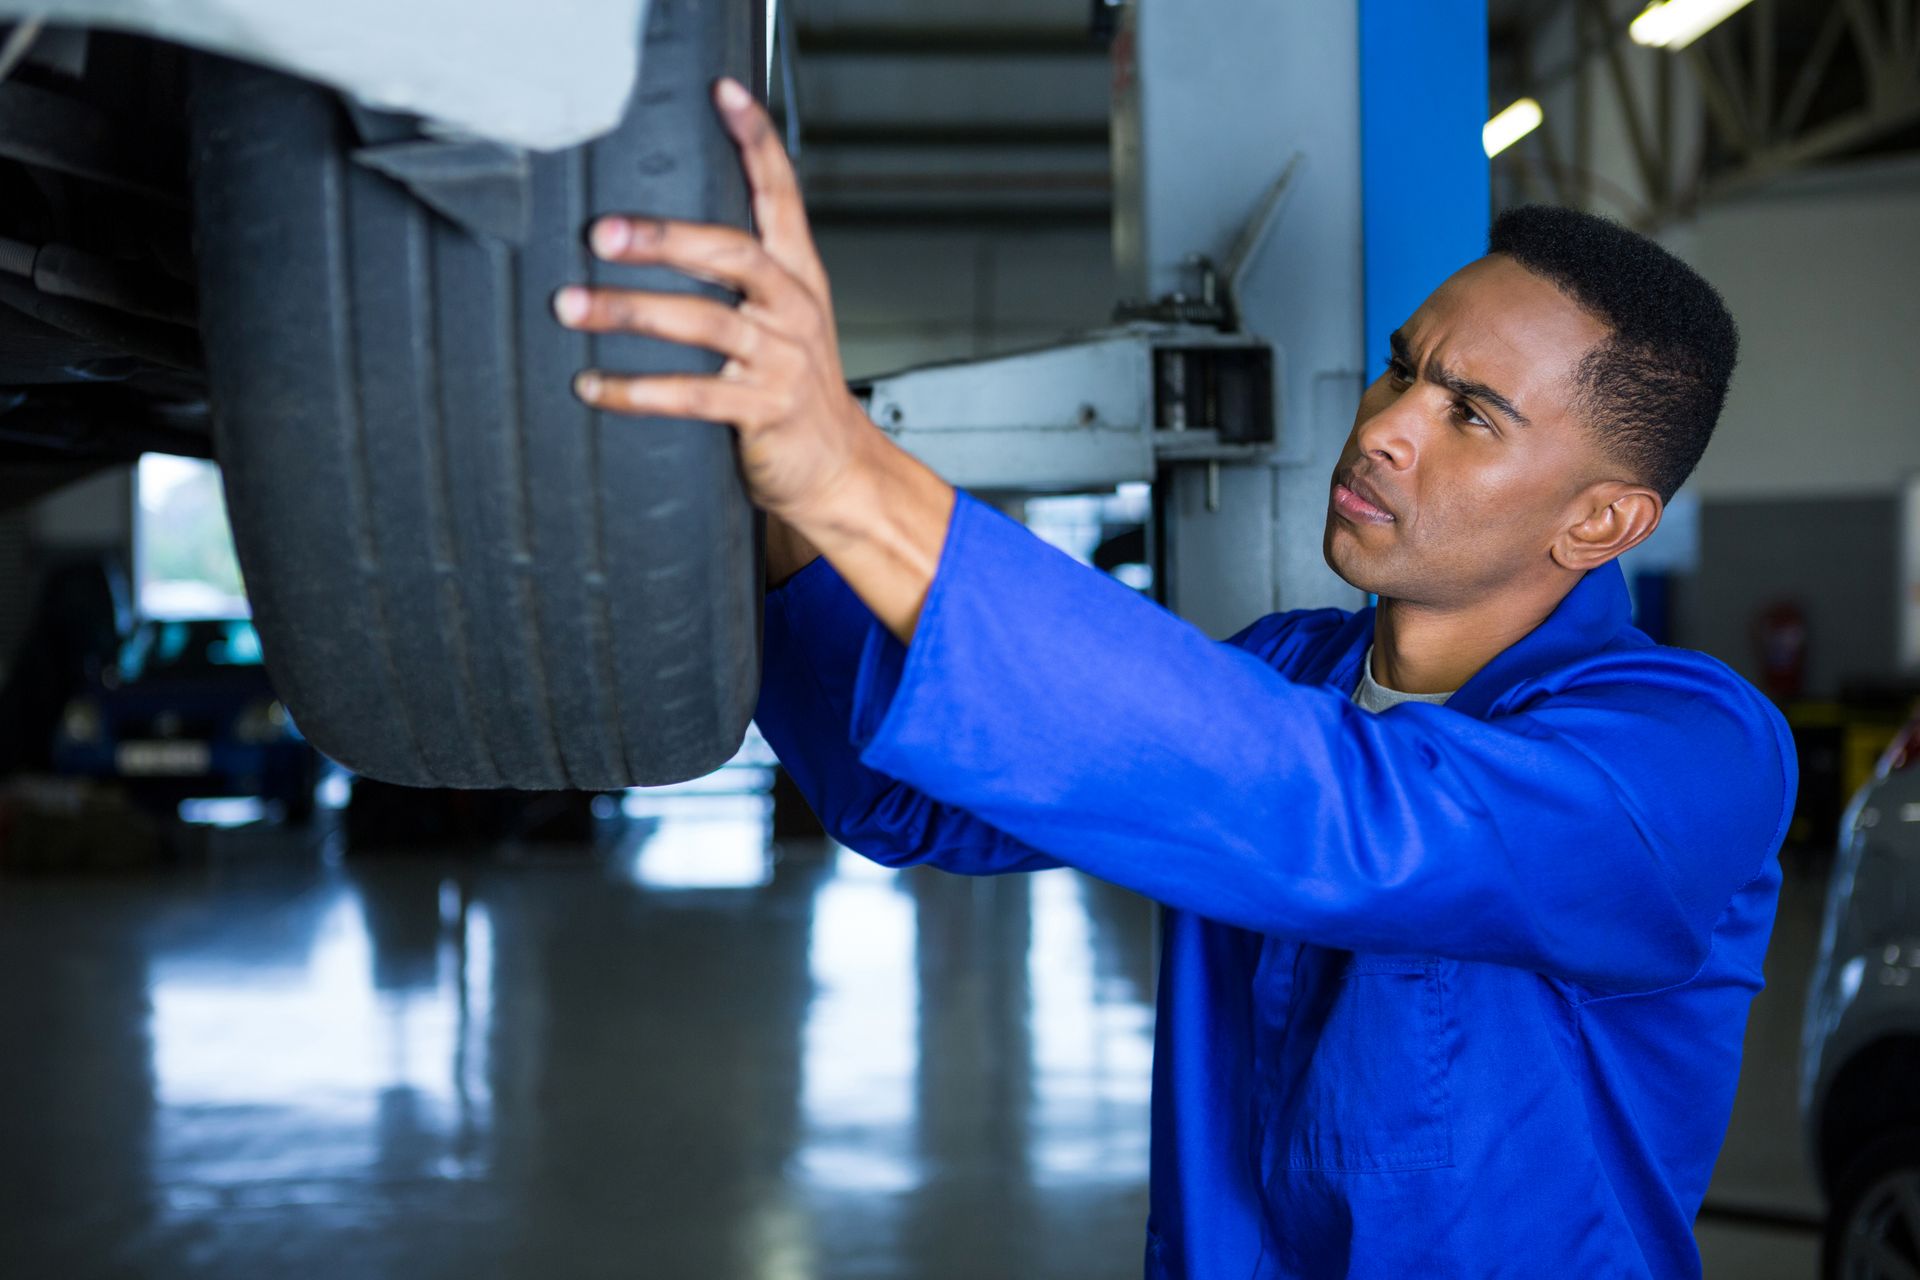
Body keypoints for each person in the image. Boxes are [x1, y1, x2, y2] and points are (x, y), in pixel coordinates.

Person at [551, 76, 1796, 1280]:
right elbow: (907, 800)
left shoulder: (1686, 751)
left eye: (1471, 413)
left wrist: (854, 477)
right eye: (1403, 365)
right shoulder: (1290, 669)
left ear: (1600, 523)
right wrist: (779, 499)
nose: (1384, 425)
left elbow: (1357, 820)